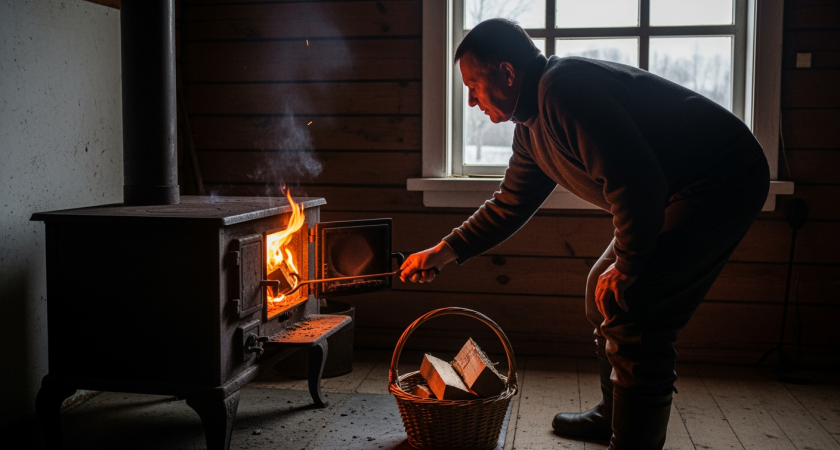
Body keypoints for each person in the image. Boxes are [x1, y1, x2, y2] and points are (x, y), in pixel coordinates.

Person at [398, 18, 770, 449]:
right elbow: (510, 204)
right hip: (670, 192)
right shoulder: (530, 126)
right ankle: (613, 415)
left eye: (473, 86)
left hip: (721, 179)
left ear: (507, 73)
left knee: (635, 306)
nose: (470, 100)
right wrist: (443, 251)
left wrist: (629, 265)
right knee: (601, 288)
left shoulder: (563, 91)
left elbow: (636, 182)